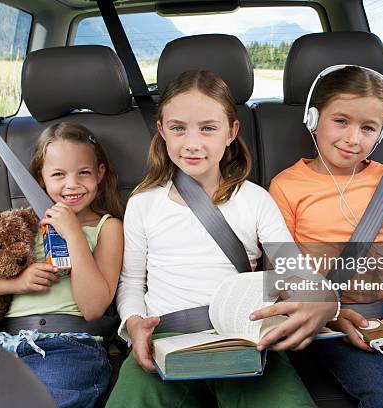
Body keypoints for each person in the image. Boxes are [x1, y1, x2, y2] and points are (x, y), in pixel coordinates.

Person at [106, 70, 338, 408]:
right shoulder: (144, 203)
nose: (192, 143)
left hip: (242, 340)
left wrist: (325, 300)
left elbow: (295, 270)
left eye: (208, 128)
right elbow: (130, 284)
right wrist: (134, 324)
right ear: (161, 131)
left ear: (231, 132)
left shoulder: (255, 200)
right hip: (165, 343)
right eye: (178, 128)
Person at [269, 65, 383, 408]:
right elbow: (283, 269)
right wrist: (330, 314)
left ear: (382, 133)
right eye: (341, 121)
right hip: (331, 321)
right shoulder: (287, 186)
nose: (353, 138)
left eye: (368, 128)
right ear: (313, 119)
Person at [0, 121, 124, 408]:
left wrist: (73, 234)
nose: (72, 184)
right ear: (40, 178)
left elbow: (93, 306)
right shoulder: (19, 226)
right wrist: (15, 284)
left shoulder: (107, 228)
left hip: (69, 346)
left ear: (100, 173)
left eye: (83, 173)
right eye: (58, 174)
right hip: (5, 345)